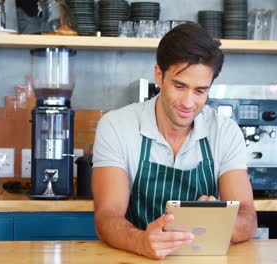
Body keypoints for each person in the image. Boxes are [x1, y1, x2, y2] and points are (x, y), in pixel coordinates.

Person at [92, 23, 257, 260]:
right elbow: (106, 217)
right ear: (159, 75)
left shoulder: (225, 132)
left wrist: (217, 219)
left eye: (200, 91)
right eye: (179, 86)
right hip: (136, 257)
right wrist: (141, 241)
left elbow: (248, 219)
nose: (188, 103)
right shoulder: (116, 126)